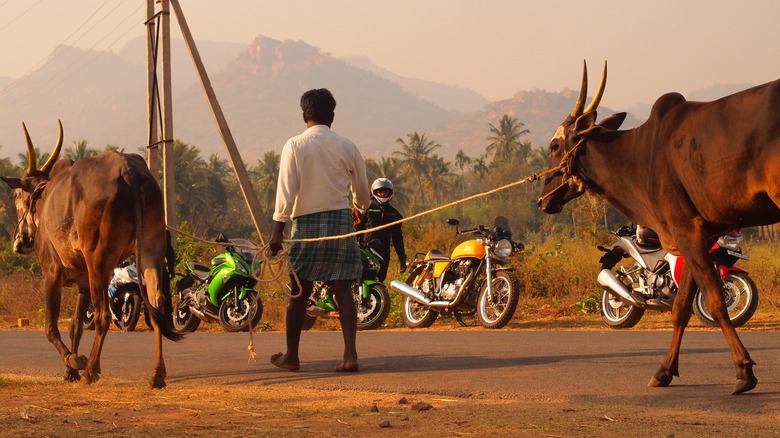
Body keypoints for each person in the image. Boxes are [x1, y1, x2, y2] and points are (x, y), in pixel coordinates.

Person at [268, 88, 370, 373]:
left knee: (300, 291)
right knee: (342, 290)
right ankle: (350, 355)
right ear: (332, 117)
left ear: (304, 116)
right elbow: (362, 188)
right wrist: (360, 210)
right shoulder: (347, 145)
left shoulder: (295, 145)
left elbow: (286, 191)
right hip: (340, 223)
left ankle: (292, 356)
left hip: (306, 224)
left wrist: (278, 231)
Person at [355, 178, 407, 281]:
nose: (383, 194)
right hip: (365, 250)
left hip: (383, 252)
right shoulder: (366, 209)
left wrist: (402, 258)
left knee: (380, 279)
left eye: (385, 192)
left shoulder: (395, 214)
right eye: (380, 191)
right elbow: (357, 228)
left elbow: (397, 238)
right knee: (361, 278)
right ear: (374, 192)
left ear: (390, 193)